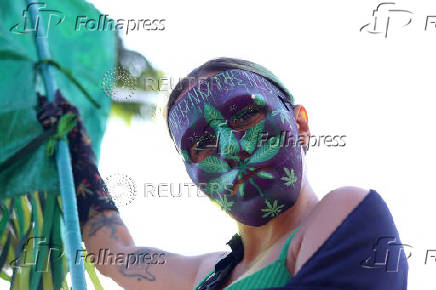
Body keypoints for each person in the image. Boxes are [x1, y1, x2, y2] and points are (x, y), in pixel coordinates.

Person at [36, 58, 409, 290]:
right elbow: (116, 256)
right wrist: (78, 149)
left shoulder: (343, 209)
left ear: (300, 124)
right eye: (202, 143)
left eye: (246, 114)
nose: (229, 148)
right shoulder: (206, 273)